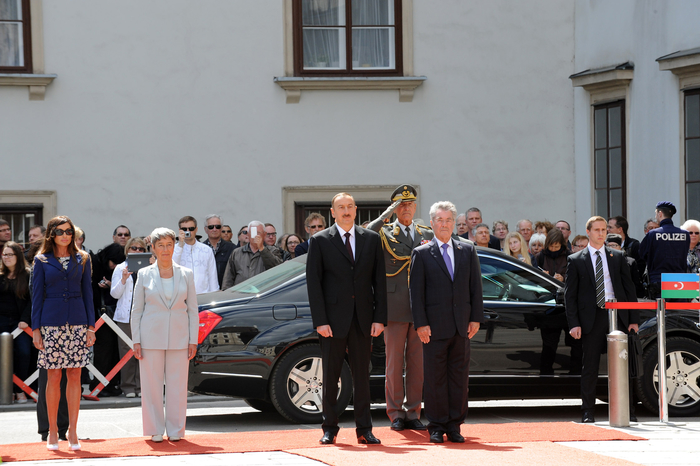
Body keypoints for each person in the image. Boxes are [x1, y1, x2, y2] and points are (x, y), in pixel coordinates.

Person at [306, 192, 387, 445]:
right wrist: (320, 320)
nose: (346, 211)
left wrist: (379, 318)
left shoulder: (372, 239)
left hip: (363, 319)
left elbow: (379, 282)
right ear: (333, 212)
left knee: (363, 376)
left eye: (350, 206)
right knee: (331, 375)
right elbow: (314, 284)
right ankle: (329, 428)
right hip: (332, 321)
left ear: (355, 209)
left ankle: (365, 429)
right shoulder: (320, 240)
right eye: (340, 207)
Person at [409, 200, 484, 443]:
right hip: (433, 327)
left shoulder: (468, 249)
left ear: (455, 223)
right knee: (435, 379)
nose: (444, 224)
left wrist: (475, 318)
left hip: (461, 326)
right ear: (431, 224)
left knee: (459, 378)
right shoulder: (421, 253)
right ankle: (436, 425)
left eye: (448, 220)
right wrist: (420, 323)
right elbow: (416, 293)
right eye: (439, 220)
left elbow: (476, 288)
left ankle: (454, 425)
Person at [367, 185, 433, 432]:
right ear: (394, 209)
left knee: (417, 364)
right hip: (394, 308)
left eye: (409, 204)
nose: (406, 208)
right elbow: (364, 234)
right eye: (401, 205)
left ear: (415, 206)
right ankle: (395, 412)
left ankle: (413, 411)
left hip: (420, 309)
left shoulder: (426, 232)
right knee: (394, 364)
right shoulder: (384, 232)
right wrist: (386, 214)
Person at [565, 216, 639, 423]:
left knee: (624, 364)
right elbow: (569, 295)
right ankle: (588, 411)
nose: (601, 233)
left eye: (604, 230)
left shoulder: (618, 256)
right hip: (592, 317)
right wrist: (574, 323)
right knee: (590, 366)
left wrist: (633, 318)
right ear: (588, 232)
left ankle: (629, 410)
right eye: (596, 230)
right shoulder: (576, 260)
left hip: (618, 315)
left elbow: (628, 288)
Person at [31, 216, 96, 451]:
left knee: (75, 376)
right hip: (51, 323)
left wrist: (91, 326)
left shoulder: (83, 258)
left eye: (68, 231)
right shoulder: (41, 260)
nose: (65, 235)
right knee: (53, 377)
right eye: (60, 231)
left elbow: (88, 294)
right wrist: (36, 329)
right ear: (51, 234)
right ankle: (52, 430)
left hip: (78, 322)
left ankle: (73, 430)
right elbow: (36, 297)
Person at [131, 227, 199, 443]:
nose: (165, 249)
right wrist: (136, 340)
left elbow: (192, 310)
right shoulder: (143, 274)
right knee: (151, 385)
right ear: (153, 248)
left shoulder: (186, 273)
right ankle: (155, 429)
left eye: (169, 244)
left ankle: (176, 429)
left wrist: (193, 339)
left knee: (178, 385)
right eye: (161, 245)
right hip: (150, 337)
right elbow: (137, 310)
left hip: (180, 337)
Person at [109, 237, 148, 398]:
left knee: (144, 352)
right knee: (127, 352)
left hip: (146, 316)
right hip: (125, 317)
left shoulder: (150, 269)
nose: (137, 251)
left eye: (140, 249)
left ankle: (142, 386)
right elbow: (114, 294)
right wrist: (124, 279)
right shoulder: (120, 268)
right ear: (127, 250)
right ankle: (128, 387)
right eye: (133, 248)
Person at [0, 241, 32, 404]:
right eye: (4, 254)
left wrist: (25, 320)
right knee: (4, 356)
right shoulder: (0, 275)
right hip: (2, 322)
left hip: (21, 323)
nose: (6, 258)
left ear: (17, 256)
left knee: (24, 353)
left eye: (9, 254)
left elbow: (31, 301)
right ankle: (6, 391)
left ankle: (20, 389)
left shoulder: (27, 275)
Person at [639, 202, 690, 299]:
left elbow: (642, 254)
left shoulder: (652, 234)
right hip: (681, 281)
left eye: (656, 213)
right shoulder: (685, 234)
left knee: (661, 312)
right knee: (681, 312)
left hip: (659, 281)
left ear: (660, 213)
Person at [221, 221, 283, 289]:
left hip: (263, 294)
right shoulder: (237, 253)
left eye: (259, 233)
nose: (256, 236)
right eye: (253, 232)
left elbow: (277, 269)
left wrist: (262, 249)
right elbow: (228, 278)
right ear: (248, 234)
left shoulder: (273, 250)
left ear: (264, 234)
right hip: (241, 294)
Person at [172, 216, 218, 294]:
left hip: (203, 296)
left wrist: (214, 294)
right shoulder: (174, 249)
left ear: (196, 229)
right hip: (181, 297)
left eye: (191, 229)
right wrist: (180, 245)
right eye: (184, 229)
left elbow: (212, 275)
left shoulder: (206, 250)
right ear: (180, 231)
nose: (188, 231)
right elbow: (172, 267)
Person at [201, 215, 236, 289]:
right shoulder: (200, 249)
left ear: (221, 228)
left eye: (217, 226)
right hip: (205, 293)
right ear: (205, 229)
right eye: (211, 227)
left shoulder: (232, 248)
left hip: (226, 292)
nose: (214, 229)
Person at [606, 234, 645, 299]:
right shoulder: (603, 262)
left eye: (614, 245)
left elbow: (636, 284)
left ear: (620, 247)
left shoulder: (630, 262)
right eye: (609, 246)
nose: (611, 248)